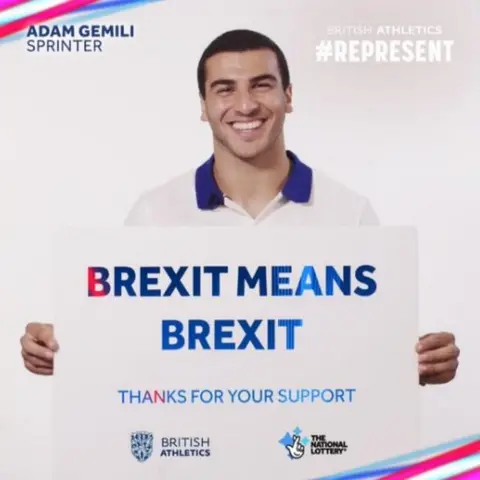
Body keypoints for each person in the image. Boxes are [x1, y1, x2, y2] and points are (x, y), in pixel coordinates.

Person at [20, 29, 460, 385]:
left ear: (288, 96)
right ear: (204, 107)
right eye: (225, 89)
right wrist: (63, 350)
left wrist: (422, 362)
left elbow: (370, 349)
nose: (246, 105)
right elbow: (128, 344)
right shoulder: (154, 215)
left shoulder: (350, 213)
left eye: (262, 86)